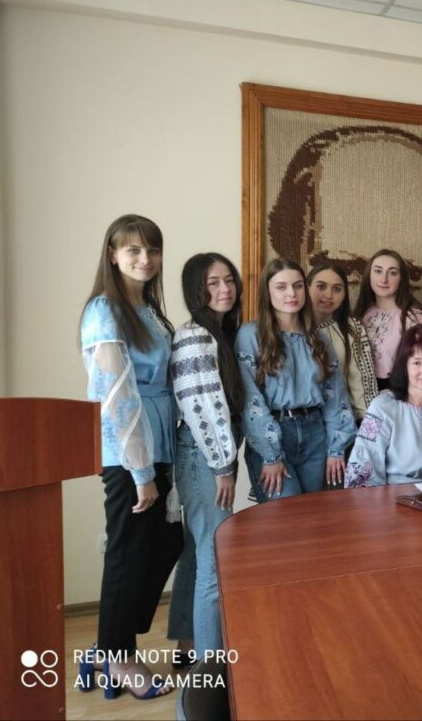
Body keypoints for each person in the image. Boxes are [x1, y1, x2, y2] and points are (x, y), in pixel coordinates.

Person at [79, 215, 181, 699]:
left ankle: (108, 646)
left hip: (158, 444)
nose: (145, 259)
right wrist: (141, 471)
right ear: (113, 255)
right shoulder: (105, 310)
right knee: (128, 551)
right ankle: (117, 657)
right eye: (134, 250)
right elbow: (117, 395)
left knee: (166, 543)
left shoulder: (151, 310)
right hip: (127, 451)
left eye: (153, 250)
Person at [166, 253, 244, 661]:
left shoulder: (220, 333)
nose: (224, 289)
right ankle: (210, 670)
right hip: (203, 457)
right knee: (214, 563)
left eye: (229, 280)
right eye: (213, 282)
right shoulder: (195, 336)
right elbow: (203, 409)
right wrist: (222, 466)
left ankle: (190, 646)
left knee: (198, 557)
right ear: (196, 289)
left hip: (205, 457)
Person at [235, 258, 356, 499]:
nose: (291, 293)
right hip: (276, 432)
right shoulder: (251, 335)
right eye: (281, 287)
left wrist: (336, 448)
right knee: (284, 515)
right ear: (268, 292)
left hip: (315, 435)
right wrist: (270, 454)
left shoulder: (319, 339)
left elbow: (335, 395)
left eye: (298, 286)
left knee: (310, 514)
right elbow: (250, 399)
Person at [345, 325, 422, 487]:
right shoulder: (382, 408)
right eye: (417, 363)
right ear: (404, 366)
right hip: (394, 497)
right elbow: (363, 472)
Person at [307, 262, 377, 421]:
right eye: (321, 286)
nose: (328, 295)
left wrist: (370, 431)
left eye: (337, 289)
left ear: (345, 294)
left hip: (343, 421)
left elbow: (364, 387)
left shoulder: (352, 327)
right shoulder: (291, 327)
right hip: (303, 422)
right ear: (307, 287)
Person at [355, 248, 422, 390]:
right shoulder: (361, 315)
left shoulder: (415, 318)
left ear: (401, 278)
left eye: (392, 273)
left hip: (399, 392)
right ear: (369, 275)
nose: (384, 279)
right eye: (378, 271)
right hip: (361, 393)